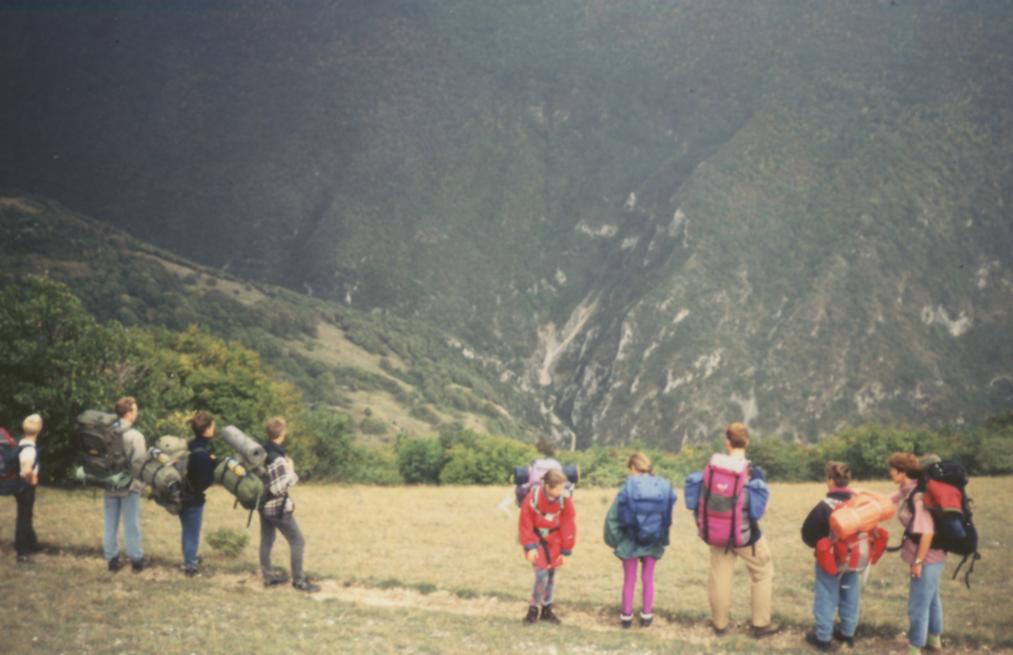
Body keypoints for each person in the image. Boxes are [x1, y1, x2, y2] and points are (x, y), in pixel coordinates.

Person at [701, 423, 780, 637]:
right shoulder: (755, 471)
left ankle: (719, 625)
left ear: (727, 443)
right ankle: (760, 624)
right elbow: (758, 510)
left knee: (720, 577)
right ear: (747, 442)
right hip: (746, 536)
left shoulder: (713, 467)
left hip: (718, 534)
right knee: (762, 572)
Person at [603, 452, 677, 628]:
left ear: (633, 468)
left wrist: (616, 542)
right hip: (654, 539)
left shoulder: (627, 487)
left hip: (629, 540)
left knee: (629, 579)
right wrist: (662, 540)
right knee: (648, 577)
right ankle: (646, 616)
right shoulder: (663, 486)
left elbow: (612, 519)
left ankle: (626, 617)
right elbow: (667, 519)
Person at [800, 462, 863, 651]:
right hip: (856, 558)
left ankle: (823, 637)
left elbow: (808, 534)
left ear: (830, 480)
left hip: (831, 560)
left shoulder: (824, 506)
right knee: (851, 594)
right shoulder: (859, 502)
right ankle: (847, 634)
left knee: (826, 595)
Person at [889, 452, 945, 655]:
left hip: (927, 558)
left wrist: (918, 562)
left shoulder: (918, 496)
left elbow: (927, 532)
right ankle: (934, 643)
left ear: (902, 472)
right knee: (931, 598)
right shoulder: (908, 489)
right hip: (932, 556)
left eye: (892, 470)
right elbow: (891, 499)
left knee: (918, 605)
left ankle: (914, 648)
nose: (890, 473)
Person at [259, 416, 320, 592]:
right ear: (281, 433)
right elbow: (280, 486)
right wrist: (291, 469)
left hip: (263, 505)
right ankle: (299, 580)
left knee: (267, 540)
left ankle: (268, 576)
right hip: (277, 507)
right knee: (297, 541)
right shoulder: (278, 458)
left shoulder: (262, 452)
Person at [518, 468, 576, 625]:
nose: (562, 491)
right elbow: (525, 522)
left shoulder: (564, 500)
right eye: (558, 488)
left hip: (555, 541)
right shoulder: (533, 498)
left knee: (550, 575)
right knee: (541, 574)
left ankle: (546, 609)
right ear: (548, 487)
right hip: (536, 539)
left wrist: (566, 549)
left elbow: (568, 523)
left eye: (563, 487)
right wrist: (529, 546)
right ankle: (533, 609)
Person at [104, 397, 146, 573]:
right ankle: (136, 559)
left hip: (109, 482)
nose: (136, 413)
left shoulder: (106, 432)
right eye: (135, 410)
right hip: (129, 486)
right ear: (129, 414)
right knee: (131, 523)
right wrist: (141, 484)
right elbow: (140, 462)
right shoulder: (135, 436)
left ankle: (112, 559)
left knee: (109, 523)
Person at [180, 410, 216, 577]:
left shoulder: (189, 444)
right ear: (207, 429)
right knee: (191, 532)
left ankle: (190, 558)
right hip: (193, 497)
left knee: (187, 530)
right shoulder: (203, 453)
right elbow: (205, 481)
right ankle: (190, 567)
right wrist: (212, 464)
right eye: (213, 425)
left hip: (180, 493)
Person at [14, 414, 42, 563]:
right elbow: (27, 469)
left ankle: (30, 541)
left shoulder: (21, 443)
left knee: (25, 514)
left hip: (19, 484)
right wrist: (33, 480)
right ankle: (22, 551)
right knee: (24, 517)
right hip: (26, 485)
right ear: (39, 429)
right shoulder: (30, 449)